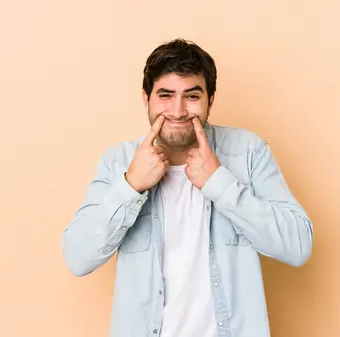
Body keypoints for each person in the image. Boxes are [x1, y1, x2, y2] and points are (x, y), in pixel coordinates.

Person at [61, 38, 313, 337]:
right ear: (146, 98)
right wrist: (131, 186)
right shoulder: (119, 162)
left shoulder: (248, 152)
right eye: (165, 95)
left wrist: (220, 183)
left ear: (211, 98)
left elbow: (298, 247)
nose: (178, 111)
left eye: (191, 96)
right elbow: (77, 257)